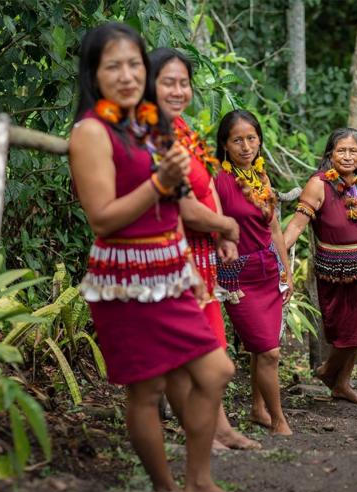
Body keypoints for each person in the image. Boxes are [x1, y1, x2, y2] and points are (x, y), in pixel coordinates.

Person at [69, 23, 243, 492]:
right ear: (94, 74)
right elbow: (103, 219)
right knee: (146, 390)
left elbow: (177, 206)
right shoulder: (91, 132)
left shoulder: (148, 125)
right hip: (126, 276)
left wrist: (199, 252)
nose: (126, 76)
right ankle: (168, 489)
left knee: (215, 371)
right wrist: (159, 184)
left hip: (171, 269)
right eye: (113, 66)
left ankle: (199, 482)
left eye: (133, 65)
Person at [147, 48, 260, 451]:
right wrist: (226, 225)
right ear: (148, 83)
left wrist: (222, 234)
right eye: (168, 82)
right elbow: (179, 202)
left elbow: (207, 186)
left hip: (204, 252)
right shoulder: (153, 135)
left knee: (213, 342)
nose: (178, 90)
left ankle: (221, 427)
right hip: (174, 251)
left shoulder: (181, 129)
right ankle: (200, 433)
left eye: (184, 82)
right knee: (191, 349)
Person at [283, 128, 357, 405]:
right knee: (346, 332)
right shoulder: (319, 184)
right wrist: (280, 252)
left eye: (354, 151)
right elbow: (297, 224)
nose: (348, 156)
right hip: (337, 272)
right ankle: (327, 372)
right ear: (330, 154)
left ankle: (341, 383)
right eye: (342, 150)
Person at [214, 109, 293, 436]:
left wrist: (285, 270)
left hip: (268, 272)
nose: (246, 147)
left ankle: (258, 410)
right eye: (237, 140)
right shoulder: (217, 178)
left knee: (264, 349)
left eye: (251, 138)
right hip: (238, 276)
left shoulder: (260, 177)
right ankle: (279, 421)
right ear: (225, 144)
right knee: (269, 351)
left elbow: (274, 228)